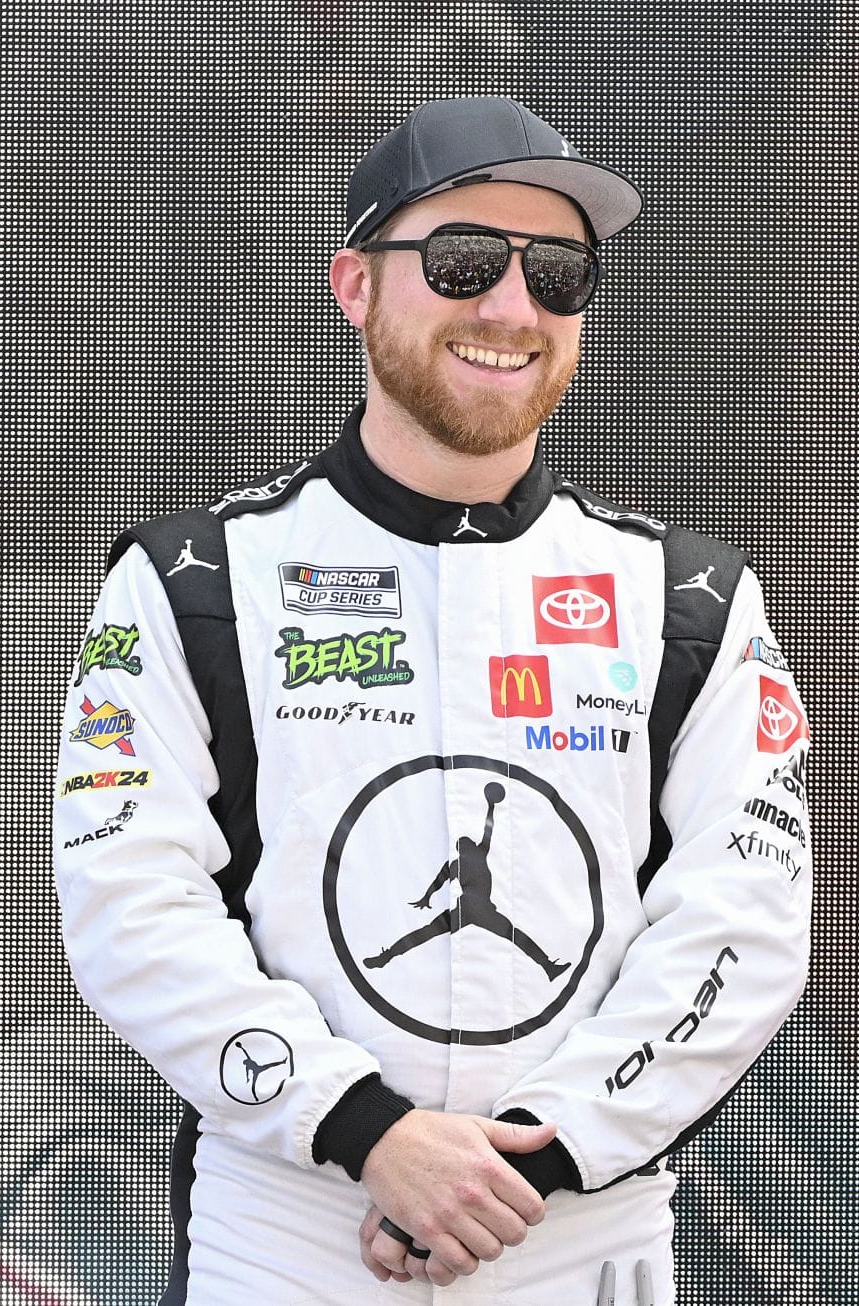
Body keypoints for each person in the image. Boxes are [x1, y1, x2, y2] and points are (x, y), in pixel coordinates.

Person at [52, 97, 812, 1303]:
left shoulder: (693, 597)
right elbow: (127, 900)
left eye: (557, 273)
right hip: (287, 1233)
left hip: (583, 1238)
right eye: (463, 261)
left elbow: (745, 930)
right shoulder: (193, 580)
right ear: (354, 284)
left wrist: (536, 1156)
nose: (513, 308)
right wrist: (369, 1134)